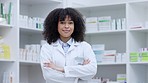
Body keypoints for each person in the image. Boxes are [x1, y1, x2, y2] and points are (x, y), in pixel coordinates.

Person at [40, 7, 97, 83]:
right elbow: (49, 76)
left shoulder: (84, 46)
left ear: (75, 25)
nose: (66, 26)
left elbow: (92, 71)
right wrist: (79, 72)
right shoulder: (47, 48)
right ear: (55, 25)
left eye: (70, 23)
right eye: (62, 22)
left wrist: (61, 69)